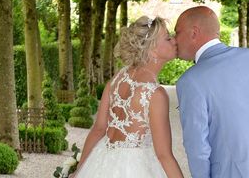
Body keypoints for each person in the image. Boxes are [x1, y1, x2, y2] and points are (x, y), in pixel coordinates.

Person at [174, 5, 249, 178]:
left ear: (193, 33)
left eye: (177, 32)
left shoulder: (190, 81)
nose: (174, 40)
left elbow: (197, 148)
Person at [72, 16, 184, 178]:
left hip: (101, 162)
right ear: (152, 49)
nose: (174, 41)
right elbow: (163, 155)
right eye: (167, 38)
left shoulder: (117, 78)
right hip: (135, 169)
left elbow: (98, 129)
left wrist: (79, 171)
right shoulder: (155, 94)